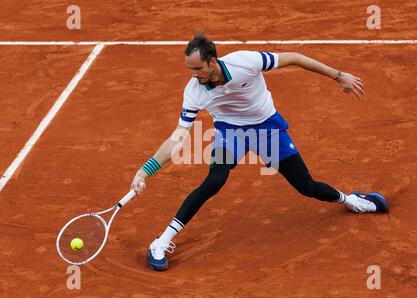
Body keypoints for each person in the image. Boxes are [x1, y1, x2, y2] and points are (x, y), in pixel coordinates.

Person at [130, 31, 389, 271]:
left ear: (212, 61)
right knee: (214, 180)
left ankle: (351, 201)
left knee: (306, 186)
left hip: (268, 129)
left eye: (198, 68)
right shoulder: (194, 91)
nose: (194, 75)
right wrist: (145, 170)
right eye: (190, 69)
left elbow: (294, 58)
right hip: (230, 133)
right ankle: (162, 241)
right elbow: (178, 137)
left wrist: (338, 75)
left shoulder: (245, 62)